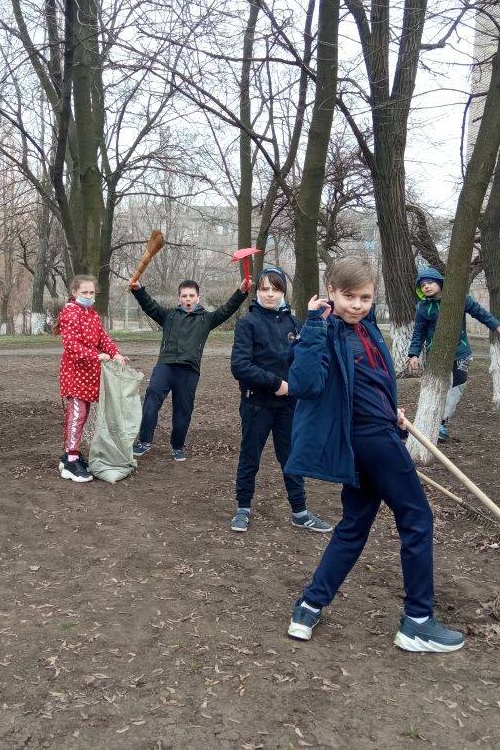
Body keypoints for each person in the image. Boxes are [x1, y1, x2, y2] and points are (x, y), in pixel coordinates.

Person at [284, 257, 465, 653]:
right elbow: (303, 383)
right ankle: (418, 622)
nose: (357, 304)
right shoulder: (325, 331)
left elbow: (374, 379)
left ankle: (308, 606)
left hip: (378, 431)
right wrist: (313, 323)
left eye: (365, 297)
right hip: (369, 442)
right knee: (417, 518)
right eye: (349, 296)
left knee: (353, 526)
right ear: (331, 290)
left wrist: (391, 410)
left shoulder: (366, 328)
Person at [229, 266, 332, 534]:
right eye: (264, 289)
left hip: (289, 406)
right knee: (250, 456)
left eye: (275, 288)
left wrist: (319, 321)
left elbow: (307, 358)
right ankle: (243, 508)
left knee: (291, 458)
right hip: (256, 404)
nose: (270, 294)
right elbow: (240, 366)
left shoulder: (295, 324)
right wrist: (276, 384)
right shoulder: (247, 323)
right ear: (257, 291)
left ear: (283, 291)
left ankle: (299, 511)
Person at [129, 276, 248, 461]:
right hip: (165, 366)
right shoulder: (168, 316)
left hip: (189, 371)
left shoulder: (207, 319)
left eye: (192, 295)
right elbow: (149, 305)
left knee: (183, 410)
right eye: (184, 296)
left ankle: (177, 446)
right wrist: (137, 290)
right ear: (179, 298)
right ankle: (144, 440)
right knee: (152, 397)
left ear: (198, 298)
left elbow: (227, 309)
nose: (188, 299)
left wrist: (241, 292)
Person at [406, 267, 500, 442]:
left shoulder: (458, 300)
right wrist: (414, 354)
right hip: (436, 355)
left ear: (440, 283)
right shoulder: (423, 308)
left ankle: (442, 422)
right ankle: (429, 421)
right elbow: (419, 333)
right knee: (437, 388)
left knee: (457, 387)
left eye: (430, 282)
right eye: (423, 285)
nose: (426, 287)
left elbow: (480, 312)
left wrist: (497, 327)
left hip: (460, 352)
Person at [55, 275, 127, 482]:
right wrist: (94, 355)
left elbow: (103, 338)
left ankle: (70, 453)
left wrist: (115, 353)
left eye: (91, 292)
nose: (88, 296)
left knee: (82, 415)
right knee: (77, 414)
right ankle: (70, 462)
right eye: (84, 292)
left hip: (89, 375)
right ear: (74, 293)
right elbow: (70, 344)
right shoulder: (70, 313)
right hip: (74, 372)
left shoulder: (92, 314)